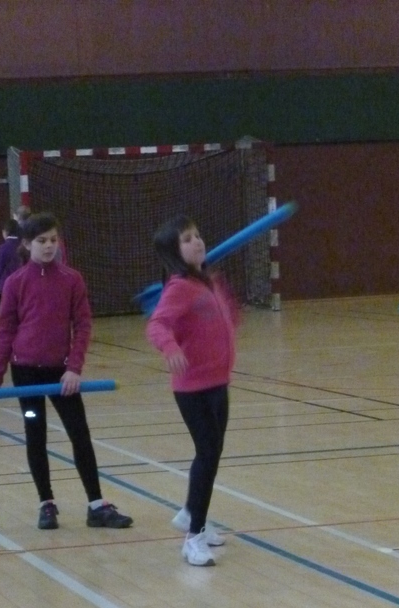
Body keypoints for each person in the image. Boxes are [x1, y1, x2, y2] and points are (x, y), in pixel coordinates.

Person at [0, 212, 132, 531]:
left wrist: (74, 368)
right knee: (35, 434)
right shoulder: (15, 283)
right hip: (25, 375)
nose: (49, 246)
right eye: (42, 241)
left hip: (62, 375)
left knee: (79, 434)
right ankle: (46, 504)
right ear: (27, 244)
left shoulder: (71, 279)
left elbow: (83, 325)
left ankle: (96, 505)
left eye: (53, 240)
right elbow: (5, 330)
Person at [146, 214, 240, 567]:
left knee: (212, 454)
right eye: (187, 239)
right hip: (193, 388)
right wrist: (170, 346)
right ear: (174, 251)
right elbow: (157, 325)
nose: (197, 241)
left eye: (197, 235)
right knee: (207, 454)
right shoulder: (180, 287)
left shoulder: (208, 281)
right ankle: (193, 537)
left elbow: (222, 320)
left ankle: (191, 513)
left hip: (219, 382)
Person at [0, 218, 22, 300]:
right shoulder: (23, 246)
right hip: (23, 284)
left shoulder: (2, 248)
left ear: (5, 232)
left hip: (6, 285)